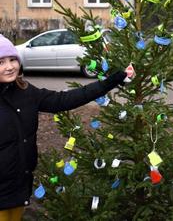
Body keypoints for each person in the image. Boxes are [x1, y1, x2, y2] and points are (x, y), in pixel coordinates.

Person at [0, 34, 127, 221]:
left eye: (12, 59)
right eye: (1, 62)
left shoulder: (26, 92)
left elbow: (64, 100)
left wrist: (111, 81)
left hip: (19, 184)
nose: (9, 66)